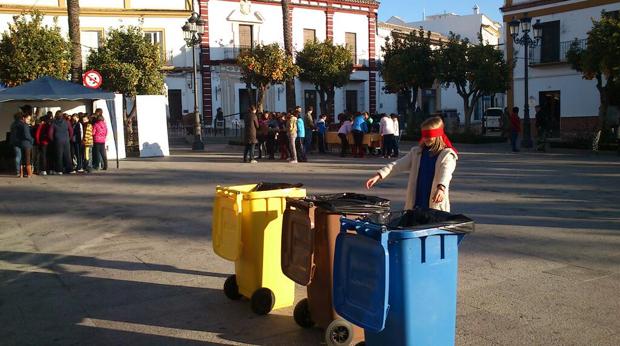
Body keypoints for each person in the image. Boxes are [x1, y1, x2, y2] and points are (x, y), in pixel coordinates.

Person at [366, 116, 458, 212]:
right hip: (417, 200)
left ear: (438, 135)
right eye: (424, 135)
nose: (425, 139)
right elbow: (398, 165)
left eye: (429, 136)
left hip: (434, 201)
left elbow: (446, 172)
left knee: (432, 224)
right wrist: (379, 175)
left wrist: (441, 188)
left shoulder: (447, 155)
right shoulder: (417, 152)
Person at [15, 112, 35, 178]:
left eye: (29, 119)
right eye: (28, 119)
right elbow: (27, 135)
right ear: (24, 118)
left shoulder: (19, 125)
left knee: (22, 159)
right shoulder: (25, 125)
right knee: (27, 159)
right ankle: (29, 173)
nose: (28, 120)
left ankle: (21, 174)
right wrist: (32, 140)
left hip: (21, 143)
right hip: (27, 144)